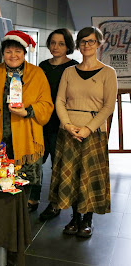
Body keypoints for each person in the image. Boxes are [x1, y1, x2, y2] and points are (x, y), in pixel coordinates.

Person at [48, 26, 117, 238]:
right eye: (83, 41)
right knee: (70, 177)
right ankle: (74, 218)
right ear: (78, 45)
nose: (87, 45)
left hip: (92, 133)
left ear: (99, 44)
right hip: (67, 131)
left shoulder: (108, 73)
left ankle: (87, 219)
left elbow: (108, 106)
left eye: (91, 41)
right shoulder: (69, 71)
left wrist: (87, 129)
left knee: (87, 176)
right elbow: (59, 101)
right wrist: (68, 125)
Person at [0, 30, 53, 197]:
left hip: (26, 135)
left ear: (24, 53)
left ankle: (24, 211)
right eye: (8, 51)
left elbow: (47, 104)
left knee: (24, 184)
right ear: (3, 54)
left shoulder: (37, 74)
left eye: (17, 51)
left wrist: (27, 111)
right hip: (0, 134)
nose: (13, 55)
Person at [28, 28, 79, 217]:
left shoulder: (74, 67)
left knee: (57, 165)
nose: (56, 47)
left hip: (61, 123)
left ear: (68, 46)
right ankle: (33, 198)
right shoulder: (41, 66)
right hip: (41, 122)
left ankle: (55, 203)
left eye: (61, 43)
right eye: (53, 43)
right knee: (35, 161)